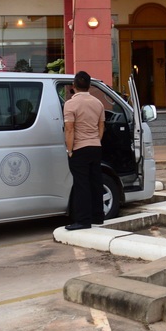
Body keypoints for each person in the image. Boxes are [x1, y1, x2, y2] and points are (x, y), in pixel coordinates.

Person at [63, 71, 106, 230]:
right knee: (96, 182)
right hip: (95, 146)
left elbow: (69, 129)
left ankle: (83, 220)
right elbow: (101, 126)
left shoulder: (70, 104)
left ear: (73, 85)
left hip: (79, 148)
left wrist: (70, 150)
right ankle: (98, 216)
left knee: (81, 185)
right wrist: (96, 141)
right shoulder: (98, 103)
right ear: (89, 85)